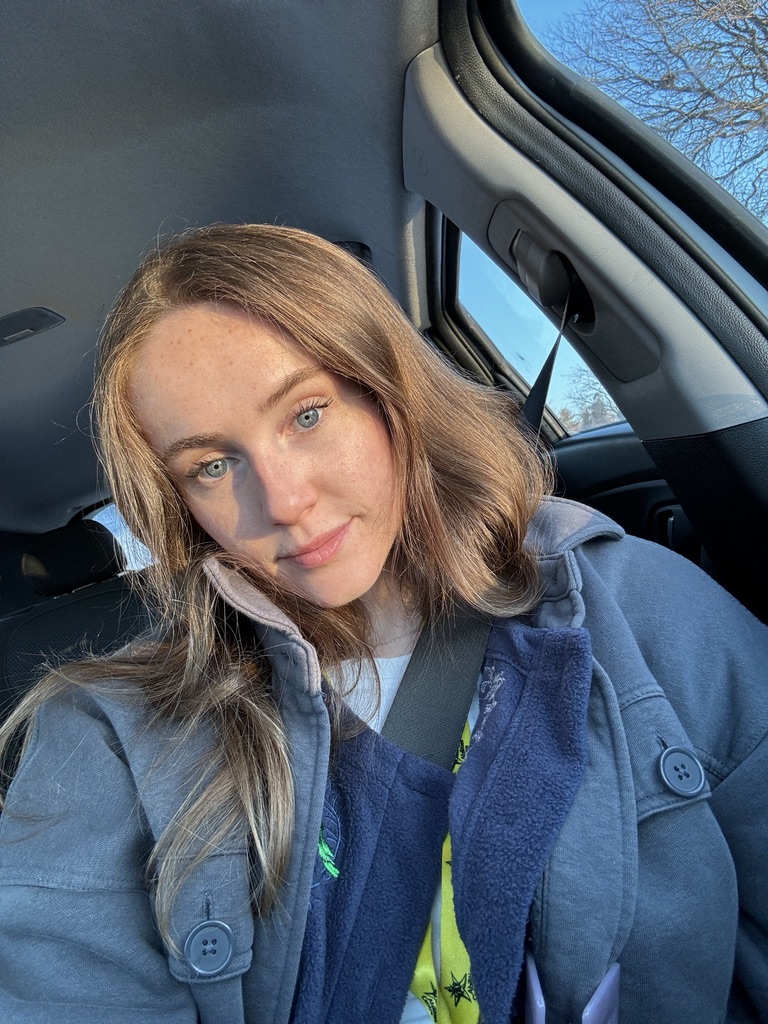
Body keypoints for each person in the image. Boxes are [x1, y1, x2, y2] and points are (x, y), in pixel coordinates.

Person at [0, 223, 766, 1024]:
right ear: (181, 504)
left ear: (388, 393)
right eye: (212, 466)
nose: (285, 502)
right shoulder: (110, 735)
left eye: (305, 414)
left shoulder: (636, 611)